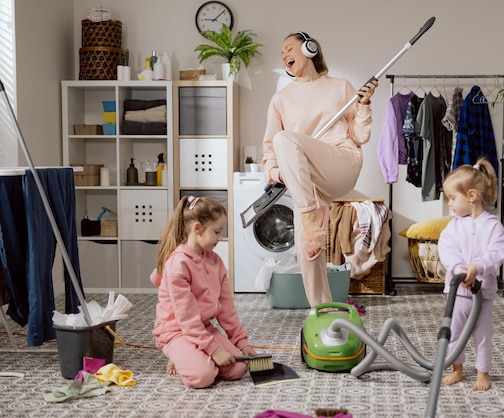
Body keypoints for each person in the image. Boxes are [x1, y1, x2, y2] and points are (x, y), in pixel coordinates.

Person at [261, 31, 379, 307]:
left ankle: (308, 217)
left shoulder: (341, 87)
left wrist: (363, 104)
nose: (285, 55)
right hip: (309, 187)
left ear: (310, 48)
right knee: (307, 247)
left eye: (290, 48)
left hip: (340, 163)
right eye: (281, 54)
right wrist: (280, 174)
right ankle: (322, 310)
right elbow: (270, 154)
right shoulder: (281, 99)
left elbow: (360, 136)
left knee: (285, 138)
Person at [150, 196, 257, 388]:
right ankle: (179, 354)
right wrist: (213, 351)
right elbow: (187, 318)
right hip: (176, 331)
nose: (220, 238)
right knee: (203, 376)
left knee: (237, 368)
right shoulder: (178, 264)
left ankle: (188, 355)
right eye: (216, 232)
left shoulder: (215, 261)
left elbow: (226, 308)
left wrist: (242, 342)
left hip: (202, 327)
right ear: (197, 228)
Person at [437, 158, 504, 391]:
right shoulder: (453, 227)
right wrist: (460, 270)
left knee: (482, 335)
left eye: (452, 198)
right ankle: (456, 369)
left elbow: (496, 253)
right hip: (458, 292)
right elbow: (447, 250)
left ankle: (482, 373)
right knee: (454, 332)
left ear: (471, 196)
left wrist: (477, 267)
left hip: (483, 293)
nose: (449, 204)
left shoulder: (493, 226)